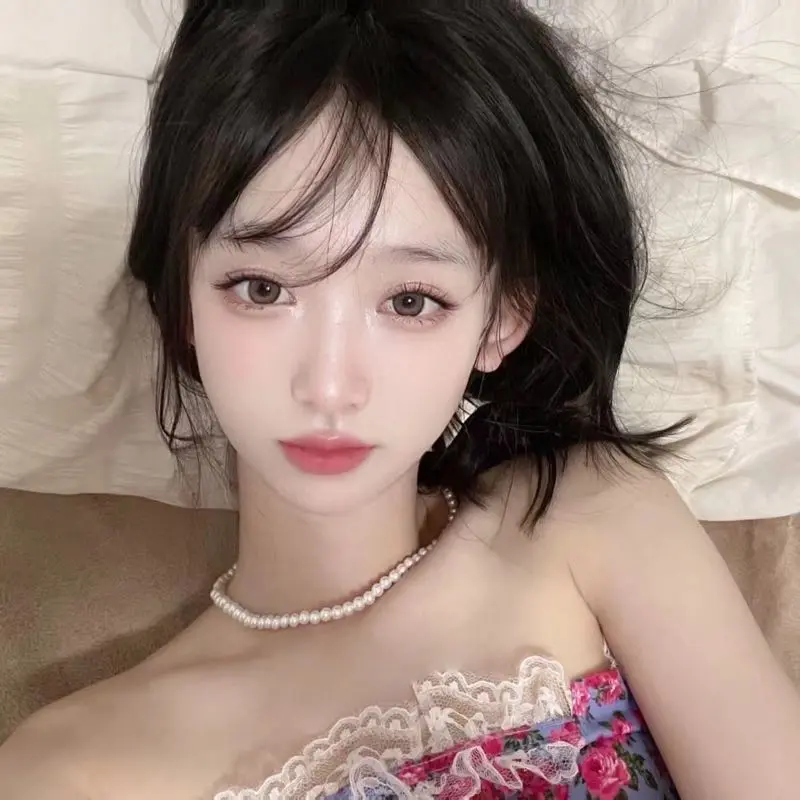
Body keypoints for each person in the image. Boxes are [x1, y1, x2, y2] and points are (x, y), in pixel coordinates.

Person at [2, 1, 799, 797]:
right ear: (181, 302)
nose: (329, 386)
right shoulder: (71, 770)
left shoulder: (593, 518)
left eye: (411, 301)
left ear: (503, 318)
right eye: (263, 288)